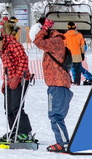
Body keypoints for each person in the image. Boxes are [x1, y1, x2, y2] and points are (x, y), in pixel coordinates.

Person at [34, 18, 73, 153]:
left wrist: (44, 28)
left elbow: (37, 42)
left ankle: (63, 143)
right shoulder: (55, 41)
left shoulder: (55, 41)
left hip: (57, 85)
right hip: (58, 84)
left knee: (55, 116)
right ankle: (62, 142)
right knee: (56, 116)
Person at [0, 18, 35, 144]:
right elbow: (6, 67)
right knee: (7, 108)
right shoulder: (1, 50)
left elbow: (23, 60)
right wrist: (5, 82)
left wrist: (16, 78)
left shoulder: (14, 45)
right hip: (10, 80)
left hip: (21, 79)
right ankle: (14, 130)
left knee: (16, 107)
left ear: (0, 40)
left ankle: (25, 133)